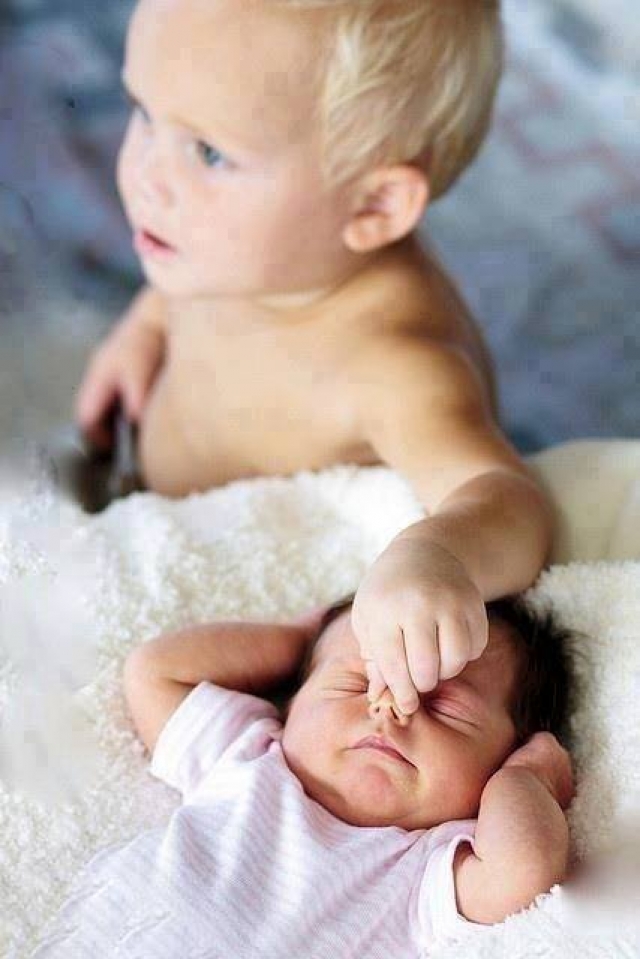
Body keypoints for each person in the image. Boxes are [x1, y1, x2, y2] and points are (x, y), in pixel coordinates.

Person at [74, 0, 555, 716]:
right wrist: (143, 329)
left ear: (374, 206)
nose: (145, 174)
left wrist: (440, 557)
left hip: (238, 607)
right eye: (144, 113)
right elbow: (178, 288)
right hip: (137, 501)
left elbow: (510, 498)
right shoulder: (230, 245)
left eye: (209, 152)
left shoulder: (394, 367)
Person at [33, 595, 573, 957]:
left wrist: (526, 779)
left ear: (503, 756)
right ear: (294, 700)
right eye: (354, 681)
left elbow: (522, 871)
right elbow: (154, 671)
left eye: (446, 707)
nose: (390, 707)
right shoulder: (247, 756)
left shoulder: (427, 867)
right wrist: (302, 640)